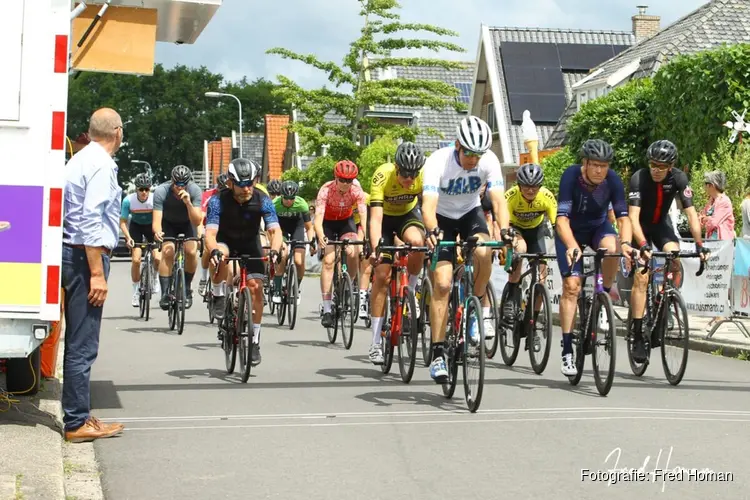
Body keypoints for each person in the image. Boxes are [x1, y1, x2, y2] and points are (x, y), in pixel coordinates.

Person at [422, 116, 512, 382]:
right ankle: (438, 353)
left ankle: (480, 310)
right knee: (442, 284)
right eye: (469, 153)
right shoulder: (438, 161)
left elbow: (498, 200)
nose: (474, 159)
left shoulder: (489, 161)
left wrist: (505, 231)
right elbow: (428, 206)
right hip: (442, 218)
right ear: (458, 145)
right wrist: (431, 230)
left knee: (485, 251)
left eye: (478, 154)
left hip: (471, 213)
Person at [61, 107, 125, 442]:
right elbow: (90, 220)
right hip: (86, 259)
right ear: (118, 132)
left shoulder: (82, 159)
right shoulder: (101, 165)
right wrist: (97, 274)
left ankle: (80, 414)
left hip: (73, 254)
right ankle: (75, 422)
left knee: (77, 341)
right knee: (83, 343)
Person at [555, 139, 633, 377]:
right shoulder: (571, 176)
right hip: (571, 231)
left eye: (604, 165)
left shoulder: (613, 180)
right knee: (571, 286)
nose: (600, 170)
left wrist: (627, 244)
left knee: (613, 248)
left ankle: (603, 297)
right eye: (595, 165)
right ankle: (567, 349)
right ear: (585, 163)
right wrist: (571, 246)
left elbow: (622, 218)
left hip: (598, 227)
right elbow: (561, 220)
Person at [627, 139, 708, 362]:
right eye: (653, 164)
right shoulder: (639, 178)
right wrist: (642, 246)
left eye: (661, 167)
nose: (656, 170)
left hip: (661, 226)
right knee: (641, 278)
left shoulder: (679, 178)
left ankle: (665, 300)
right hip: (641, 227)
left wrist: (700, 246)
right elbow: (632, 218)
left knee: (675, 256)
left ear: (671, 167)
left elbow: (692, 214)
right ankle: (636, 334)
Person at [206, 158, 282, 366]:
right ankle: (218, 295)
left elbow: (274, 230)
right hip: (225, 242)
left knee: (256, 288)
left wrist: (275, 250)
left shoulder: (262, 198)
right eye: (241, 184)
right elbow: (210, 233)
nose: (247, 188)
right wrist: (213, 249)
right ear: (230, 183)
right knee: (220, 255)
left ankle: (255, 340)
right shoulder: (217, 201)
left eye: (251, 183)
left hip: (251, 244)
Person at [368, 142, 427, 364]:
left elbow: (430, 208)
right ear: (396, 167)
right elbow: (375, 218)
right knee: (382, 275)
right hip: (383, 219)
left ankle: (411, 291)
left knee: (418, 242)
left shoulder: (422, 178)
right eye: (405, 174)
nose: (409, 179)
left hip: (407, 215)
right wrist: (376, 248)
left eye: (413, 174)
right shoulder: (383, 176)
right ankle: (375, 342)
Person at [314, 160, 368, 328]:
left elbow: (364, 218)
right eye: (342, 180)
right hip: (328, 224)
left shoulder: (357, 192)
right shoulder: (325, 191)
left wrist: (365, 237)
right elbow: (317, 220)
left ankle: (348, 284)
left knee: (353, 251)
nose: (346, 184)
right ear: (336, 177)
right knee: (329, 261)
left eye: (349, 180)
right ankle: (328, 308)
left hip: (346, 222)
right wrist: (321, 236)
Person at [502, 163, 557, 320]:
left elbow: (557, 224)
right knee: (520, 249)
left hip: (536, 230)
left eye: (535, 186)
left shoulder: (546, 197)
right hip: (515, 228)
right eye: (526, 186)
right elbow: (503, 222)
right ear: (519, 185)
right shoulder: (511, 196)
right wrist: (507, 238)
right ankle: (512, 297)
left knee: (541, 278)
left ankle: (532, 319)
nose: (531, 190)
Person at [152, 165, 204, 310]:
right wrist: (157, 232)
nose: (180, 187)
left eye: (183, 184)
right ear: (172, 181)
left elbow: (197, 221)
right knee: (168, 252)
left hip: (188, 223)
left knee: (191, 252)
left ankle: (186, 288)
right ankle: (165, 293)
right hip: (168, 224)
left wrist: (188, 203)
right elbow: (156, 220)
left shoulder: (194, 190)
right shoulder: (161, 191)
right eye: (177, 184)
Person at [120, 173, 161, 307]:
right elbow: (123, 222)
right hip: (136, 227)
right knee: (136, 260)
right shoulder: (128, 200)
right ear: (136, 189)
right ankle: (136, 292)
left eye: (147, 189)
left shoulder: (155, 200)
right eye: (141, 189)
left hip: (151, 227)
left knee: (157, 258)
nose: (144, 192)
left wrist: (159, 233)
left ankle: (154, 278)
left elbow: (160, 218)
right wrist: (128, 238)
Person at [272, 180, 315, 304]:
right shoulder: (274, 204)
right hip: (281, 229)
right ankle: (277, 289)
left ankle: (296, 288)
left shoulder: (302, 204)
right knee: (283, 255)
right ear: (281, 196)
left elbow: (309, 227)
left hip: (297, 227)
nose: (289, 201)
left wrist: (312, 241)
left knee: (298, 260)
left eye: (292, 198)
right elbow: (271, 227)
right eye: (286, 198)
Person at [198, 173, 229, 295]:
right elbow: (201, 217)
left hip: (225, 227)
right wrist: (201, 231)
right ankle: (204, 278)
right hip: (210, 225)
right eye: (221, 188)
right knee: (207, 248)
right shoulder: (208, 195)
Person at [701, 171, 735, 241]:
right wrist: (707, 219)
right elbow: (701, 218)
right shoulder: (711, 201)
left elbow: (713, 223)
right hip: (711, 240)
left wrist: (707, 219)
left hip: (723, 242)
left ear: (713, 185)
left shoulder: (724, 201)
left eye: (706, 183)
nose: (705, 186)